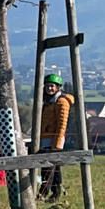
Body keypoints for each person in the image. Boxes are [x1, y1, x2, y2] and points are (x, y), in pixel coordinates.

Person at [36, 72, 73, 202]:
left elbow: (62, 124)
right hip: (45, 137)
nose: (49, 88)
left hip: (54, 139)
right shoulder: (48, 102)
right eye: (47, 86)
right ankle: (56, 193)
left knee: (47, 167)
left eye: (52, 86)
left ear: (58, 87)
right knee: (54, 167)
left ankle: (43, 192)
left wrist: (57, 143)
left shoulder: (61, 102)